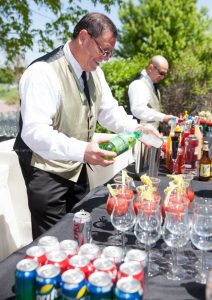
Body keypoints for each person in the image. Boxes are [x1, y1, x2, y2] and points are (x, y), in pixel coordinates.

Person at [14, 12, 161, 239]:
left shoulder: (95, 73)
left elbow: (109, 112)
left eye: (110, 54)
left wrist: (137, 129)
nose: (105, 58)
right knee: (53, 243)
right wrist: (83, 150)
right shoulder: (42, 72)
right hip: (46, 176)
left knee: (80, 237)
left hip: (79, 170)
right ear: (83, 36)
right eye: (104, 51)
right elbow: (34, 133)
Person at [128, 55, 175, 175]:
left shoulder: (153, 87)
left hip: (149, 142)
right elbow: (138, 110)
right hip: (138, 142)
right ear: (150, 68)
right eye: (161, 73)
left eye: (165, 74)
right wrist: (163, 117)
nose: (163, 77)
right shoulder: (138, 85)